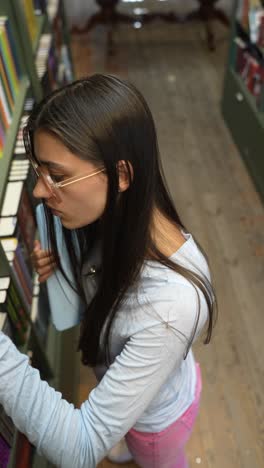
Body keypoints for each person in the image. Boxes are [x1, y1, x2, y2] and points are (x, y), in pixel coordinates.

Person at [0, 74, 217, 468]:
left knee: (156, 458)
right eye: (40, 172)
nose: (38, 192)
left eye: (58, 176)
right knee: (124, 432)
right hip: (140, 386)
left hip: (158, 425)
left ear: (121, 175)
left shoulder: (171, 306)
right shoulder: (119, 219)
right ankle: (124, 436)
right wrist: (57, 263)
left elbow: (80, 447)